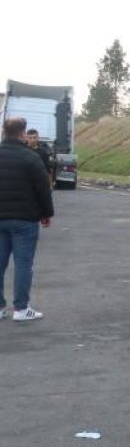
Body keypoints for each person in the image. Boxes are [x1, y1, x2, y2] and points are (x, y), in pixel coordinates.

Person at [1, 118, 54, 321]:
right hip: (24, 219)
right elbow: (43, 189)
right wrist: (46, 214)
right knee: (23, 264)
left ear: (3, 132)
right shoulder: (30, 158)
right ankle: (21, 309)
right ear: (23, 133)